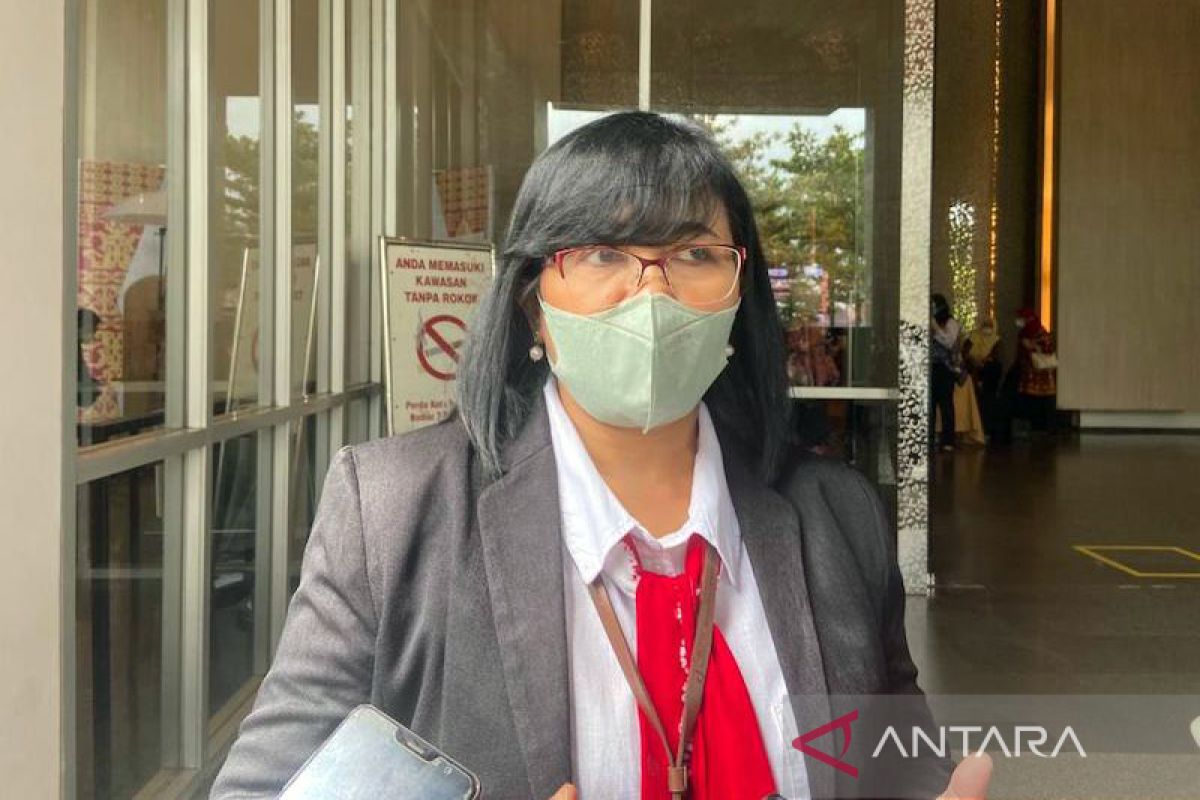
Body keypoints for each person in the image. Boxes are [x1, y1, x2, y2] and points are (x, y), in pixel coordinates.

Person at [211, 113, 990, 800]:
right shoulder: (390, 511)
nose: (651, 294)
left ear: (737, 294)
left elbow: (899, 764)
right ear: (533, 303)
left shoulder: (835, 513)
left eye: (695, 253)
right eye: (602, 254)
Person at [1014, 307, 1057, 434]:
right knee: (1031, 400)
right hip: (1028, 374)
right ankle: (1035, 426)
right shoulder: (1023, 334)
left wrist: (1032, 346)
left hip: (1042, 374)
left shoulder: (1041, 333)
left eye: (1021, 318)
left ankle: (1047, 427)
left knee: (1045, 400)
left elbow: (1048, 348)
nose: (1019, 321)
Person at [930, 293, 962, 452]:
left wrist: (936, 328)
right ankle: (929, 438)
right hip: (930, 367)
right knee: (930, 405)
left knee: (946, 404)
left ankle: (948, 440)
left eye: (933, 306)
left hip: (945, 368)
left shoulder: (950, 323)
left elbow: (950, 342)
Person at [963, 319, 1003, 442]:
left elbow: (996, 358)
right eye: (985, 325)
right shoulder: (973, 337)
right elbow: (965, 353)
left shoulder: (996, 341)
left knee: (988, 404)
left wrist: (984, 363)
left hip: (989, 377)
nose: (987, 329)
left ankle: (987, 431)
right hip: (973, 376)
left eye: (989, 326)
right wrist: (974, 361)